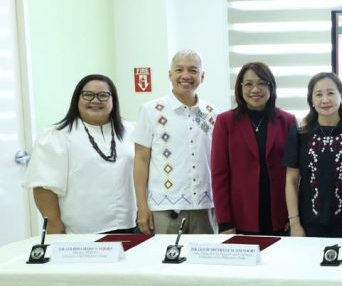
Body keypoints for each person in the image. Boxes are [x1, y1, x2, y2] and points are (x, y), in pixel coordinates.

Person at [23, 74, 136, 234]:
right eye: (88, 95)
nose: (95, 100)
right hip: (82, 231)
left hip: (131, 223)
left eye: (103, 95)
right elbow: (44, 186)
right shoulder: (57, 135)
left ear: (114, 100)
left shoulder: (132, 131)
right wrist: (54, 224)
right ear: (77, 99)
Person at [133, 50, 218, 235]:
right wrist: (141, 206)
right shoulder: (151, 110)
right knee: (165, 261)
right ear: (170, 74)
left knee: (203, 262)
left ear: (202, 76)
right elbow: (141, 160)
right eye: (179, 70)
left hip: (205, 207)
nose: (186, 76)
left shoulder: (211, 113)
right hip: (163, 208)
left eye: (193, 70)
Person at [211, 61, 296, 235]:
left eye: (261, 83)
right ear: (240, 88)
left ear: (270, 87)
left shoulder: (287, 121)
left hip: (280, 215)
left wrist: (293, 216)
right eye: (248, 84)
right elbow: (219, 175)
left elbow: (295, 174)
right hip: (240, 215)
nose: (255, 89)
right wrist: (225, 221)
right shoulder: (225, 122)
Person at [285, 72, 342, 239]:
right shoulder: (299, 134)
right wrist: (294, 223)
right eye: (318, 94)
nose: (325, 100)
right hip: (308, 224)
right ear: (311, 101)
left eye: (331, 93)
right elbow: (291, 181)